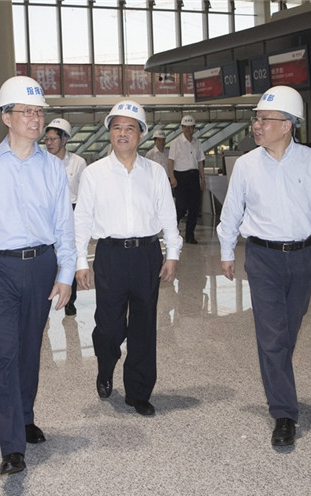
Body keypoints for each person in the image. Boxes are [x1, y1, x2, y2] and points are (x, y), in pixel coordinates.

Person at [0, 76, 75, 476]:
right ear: (7, 117)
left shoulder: (53, 168)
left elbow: (64, 226)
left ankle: (24, 416)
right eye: (27, 112)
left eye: (39, 112)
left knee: (29, 348)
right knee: (5, 351)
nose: (36, 119)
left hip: (40, 265)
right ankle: (11, 445)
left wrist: (66, 273)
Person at [217, 86, 311, 447]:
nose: (256, 125)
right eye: (256, 119)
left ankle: (278, 384)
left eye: (264, 119)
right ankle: (284, 414)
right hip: (263, 258)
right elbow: (231, 212)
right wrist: (227, 252)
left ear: (287, 125)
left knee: (286, 333)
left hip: (303, 258)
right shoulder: (246, 165)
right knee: (273, 337)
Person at [75, 100, 182, 417]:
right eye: (117, 128)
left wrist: (172, 254)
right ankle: (106, 365)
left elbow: (169, 216)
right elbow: (82, 221)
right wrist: (80, 262)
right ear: (110, 133)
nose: (122, 133)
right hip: (110, 255)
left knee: (144, 326)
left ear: (142, 133)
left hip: (147, 254)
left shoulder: (155, 173)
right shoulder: (94, 174)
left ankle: (139, 392)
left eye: (130, 128)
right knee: (109, 327)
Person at [44, 118, 86, 316]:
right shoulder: (41, 162)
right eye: (47, 139)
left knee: (70, 255)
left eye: (53, 139)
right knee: (46, 258)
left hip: (71, 209)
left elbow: (83, 193)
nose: (49, 143)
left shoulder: (78, 163)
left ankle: (70, 300)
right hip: (46, 213)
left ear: (64, 140)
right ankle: (45, 298)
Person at [168, 115, 205, 244]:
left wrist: (202, 178)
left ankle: (190, 235)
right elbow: (171, 161)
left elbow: (200, 161)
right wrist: (172, 177)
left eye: (191, 127)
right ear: (182, 128)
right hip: (180, 177)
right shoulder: (176, 143)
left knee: (194, 208)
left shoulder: (197, 143)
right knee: (181, 207)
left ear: (194, 128)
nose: (188, 130)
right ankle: (172, 229)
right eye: (186, 127)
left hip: (194, 176)